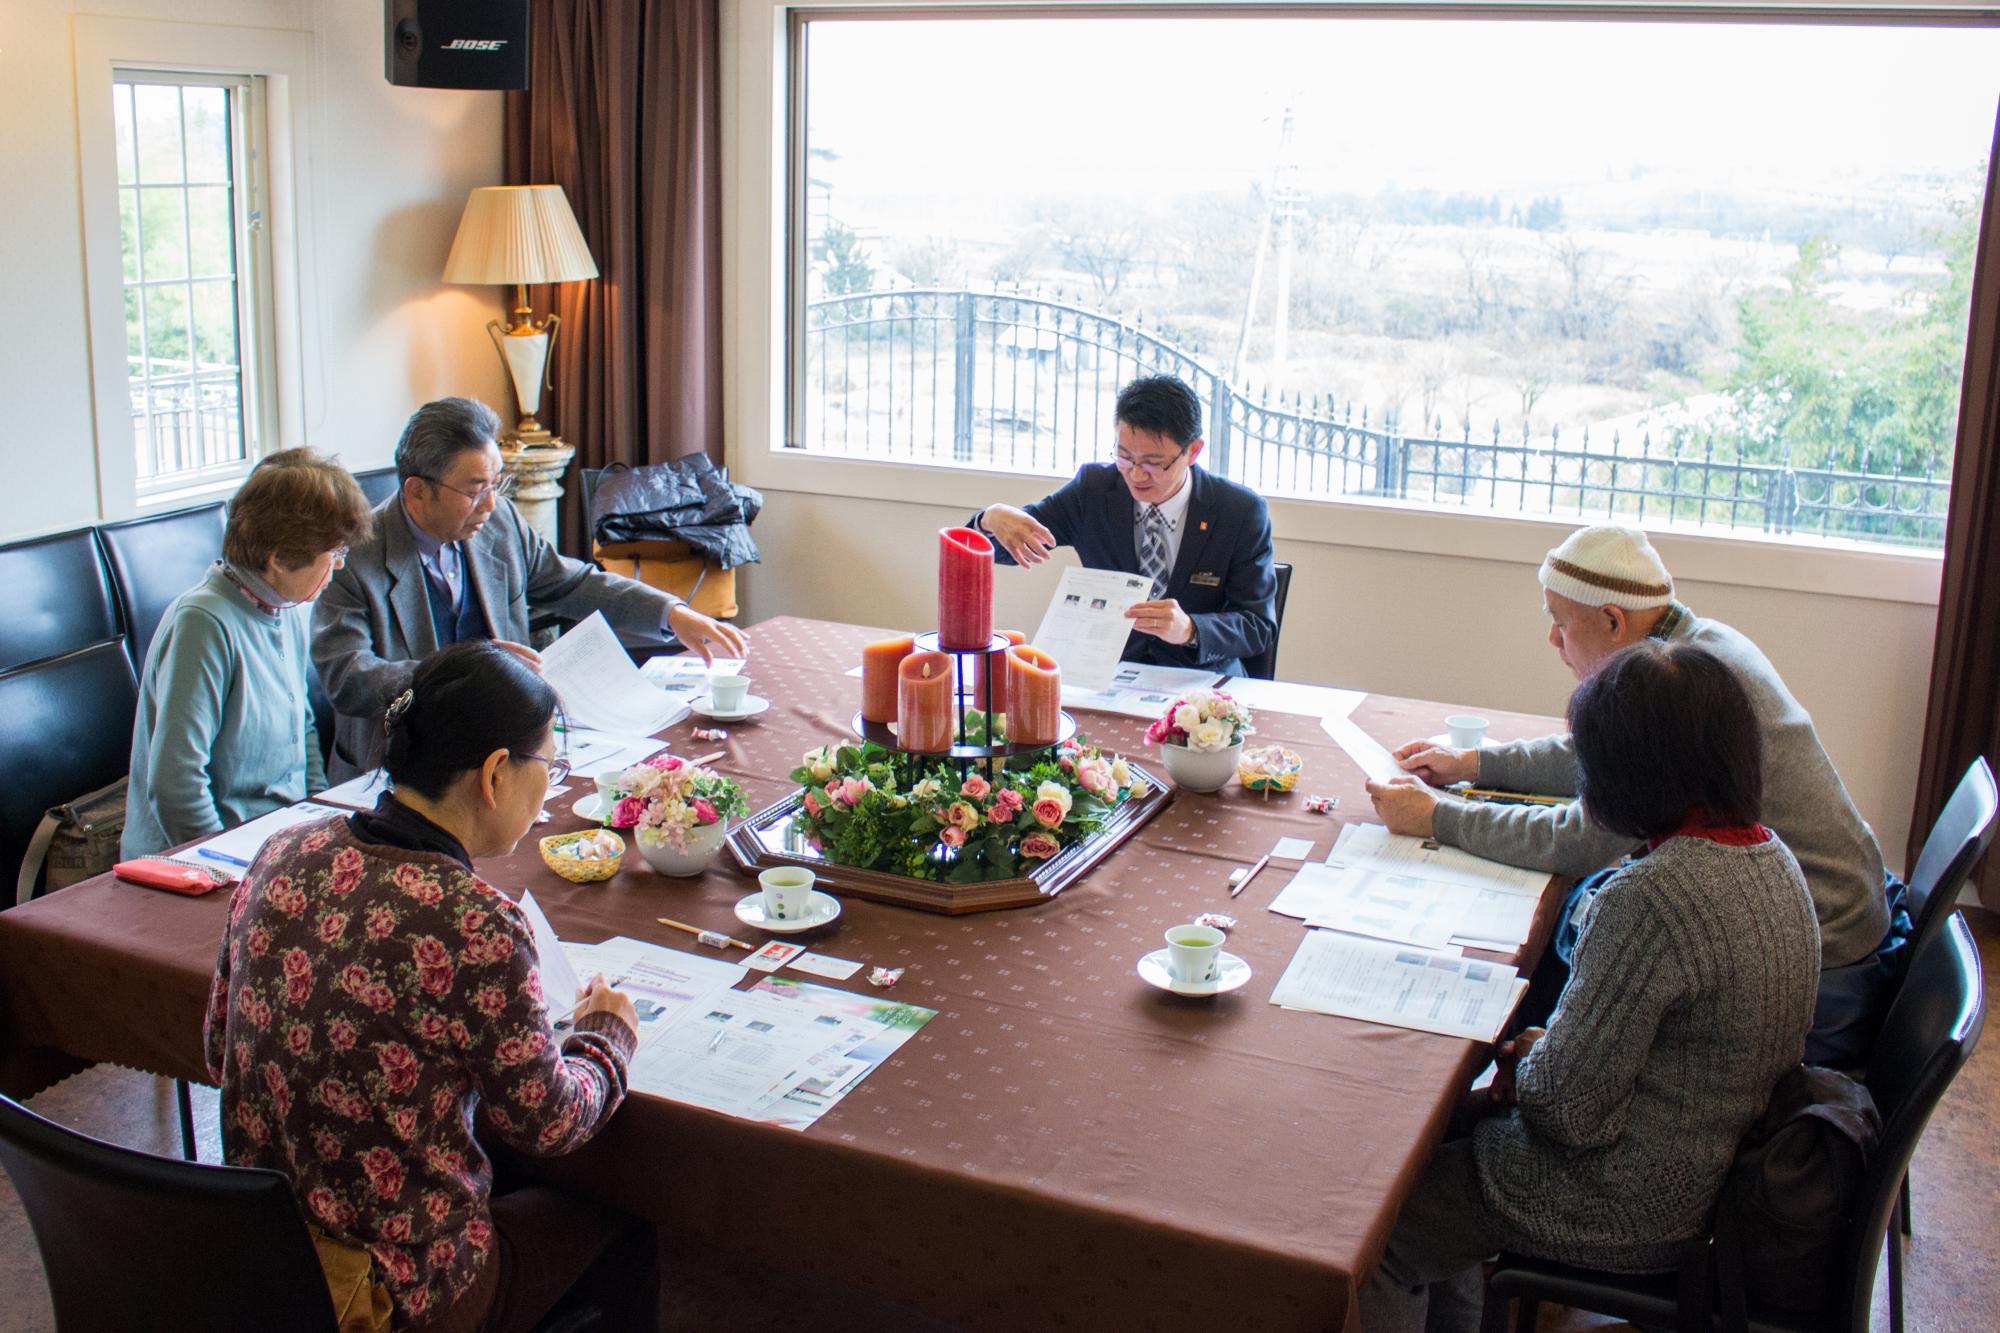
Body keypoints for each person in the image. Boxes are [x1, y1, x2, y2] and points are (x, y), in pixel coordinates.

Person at [1360, 640, 1821, 1332]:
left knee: (1385, 1226)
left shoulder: (1652, 898)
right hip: (1722, 1163)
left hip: (1641, 1198)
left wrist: (1526, 1055)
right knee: (1442, 1152)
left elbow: (1567, 1110)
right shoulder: (1772, 856)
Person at [204, 641, 655, 1332]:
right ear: (496, 773)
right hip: (397, 1289)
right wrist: (607, 1035)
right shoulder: (473, 923)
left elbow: (217, 1049)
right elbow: (550, 1121)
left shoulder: (283, 851)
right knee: (626, 1205)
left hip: (263, 1254)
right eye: (551, 767)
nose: (554, 787)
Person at [1366, 523, 1898, 1067]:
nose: (1553, 640)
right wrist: (1476, 763)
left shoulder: (1686, 688)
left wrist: (1438, 818)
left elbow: (1576, 840)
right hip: (1840, 915)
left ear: (1613, 621)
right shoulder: (1690, 647)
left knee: (1570, 931)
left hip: (1820, 966)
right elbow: (1594, 752)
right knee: (1572, 920)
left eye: (1559, 622)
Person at [314, 397, 749, 777]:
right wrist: (464, 670)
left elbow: (573, 583)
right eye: (474, 489)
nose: (490, 503)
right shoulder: (353, 556)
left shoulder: (497, 522)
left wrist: (670, 612)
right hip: (401, 764)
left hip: (503, 749)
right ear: (416, 492)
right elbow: (347, 678)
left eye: (496, 483)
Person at [122, 448, 373, 859]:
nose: (339, 567)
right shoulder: (202, 622)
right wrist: (233, 872)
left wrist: (322, 827)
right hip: (201, 861)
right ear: (276, 559)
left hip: (272, 847)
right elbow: (176, 785)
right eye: (334, 554)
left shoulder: (284, 605)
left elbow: (303, 730)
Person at [968, 374, 1278, 676]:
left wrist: (1191, 629)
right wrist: (988, 519)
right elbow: (990, 549)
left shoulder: (1239, 512)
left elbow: (1257, 626)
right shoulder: (1095, 490)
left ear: (1193, 451)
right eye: (1125, 457)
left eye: (1154, 463)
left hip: (1200, 683)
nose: (1136, 475)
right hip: (1106, 674)